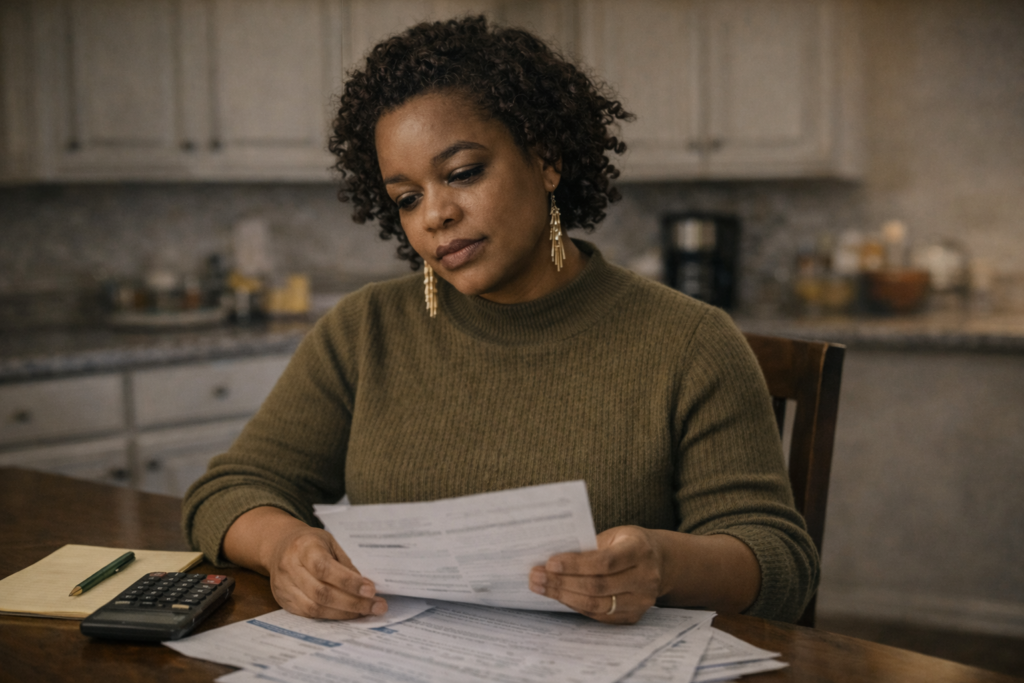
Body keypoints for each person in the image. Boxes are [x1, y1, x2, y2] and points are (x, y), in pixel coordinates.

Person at [183, 15, 818, 626]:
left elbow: (778, 561)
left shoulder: (692, 344)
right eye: (407, 198)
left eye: (462, 173)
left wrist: (666, 564)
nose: (435, 216)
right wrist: (287, 549)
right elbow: (233, 488)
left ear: (546, 160)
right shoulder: (364, 330)